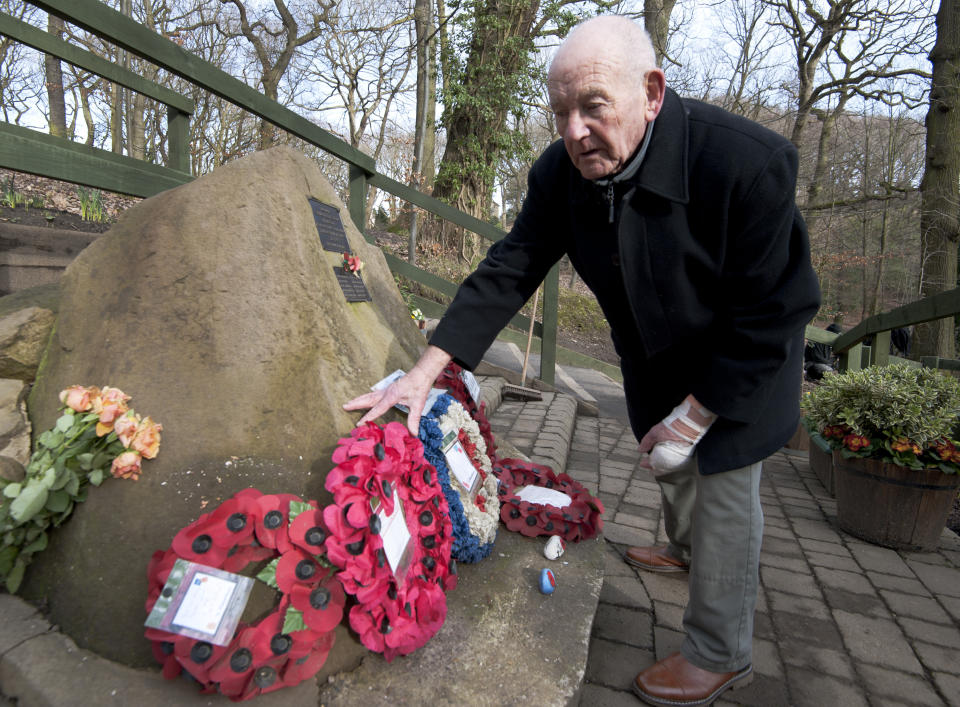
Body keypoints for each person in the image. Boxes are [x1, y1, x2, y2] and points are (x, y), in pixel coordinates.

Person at [345, 15, 820, 707]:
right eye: (560, 111)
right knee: (670, 465)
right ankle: (688, 552)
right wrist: (427, 369)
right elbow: (511, 266)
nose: (572, 131)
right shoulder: (560, 172)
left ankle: (721, 651)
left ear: (652, 93)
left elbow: (775, 307)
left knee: (720, 478)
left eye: (593, 106)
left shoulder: (747, 162)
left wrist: (699, 413)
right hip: (656, 354)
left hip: (746, 354)